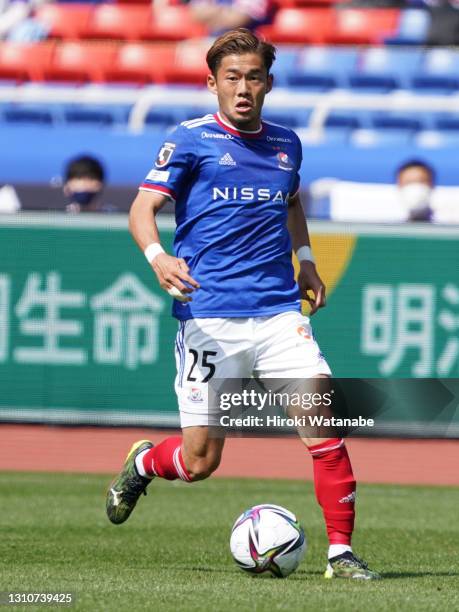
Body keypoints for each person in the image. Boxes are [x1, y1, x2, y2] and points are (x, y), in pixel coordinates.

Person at [106, 28, 380, 580]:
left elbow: (292, 199)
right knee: (201, 461)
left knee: (326, 427)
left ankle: (341, 555)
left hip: (280, 314)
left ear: (268, 84)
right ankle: (143, 463)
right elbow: (142, 208)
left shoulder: (286, 143)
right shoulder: (189, 140)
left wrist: (305, 257)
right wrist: (158, 257)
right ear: (212, 83)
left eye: (253, 77)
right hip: (209, 318)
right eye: (231, 77)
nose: (243, 88)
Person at [190, 0, 274, 35]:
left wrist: (214, 11)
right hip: (214, 40)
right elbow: (196, 15)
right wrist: (227, 11)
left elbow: (236, 20)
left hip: (246, 43)